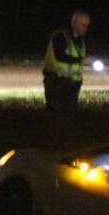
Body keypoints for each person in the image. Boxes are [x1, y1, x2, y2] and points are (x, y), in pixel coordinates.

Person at [43, 10, 90, 148]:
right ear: (74, 22)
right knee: (57, 116)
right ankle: (54, 146)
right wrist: (81, 60)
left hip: (72, 84)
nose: (85, 28)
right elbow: (60, 56)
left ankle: (66, 144)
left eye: (87, 25)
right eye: (83, 25)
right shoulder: (60, 36)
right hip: (56, 82)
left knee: (69, 116)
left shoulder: (80, 41)